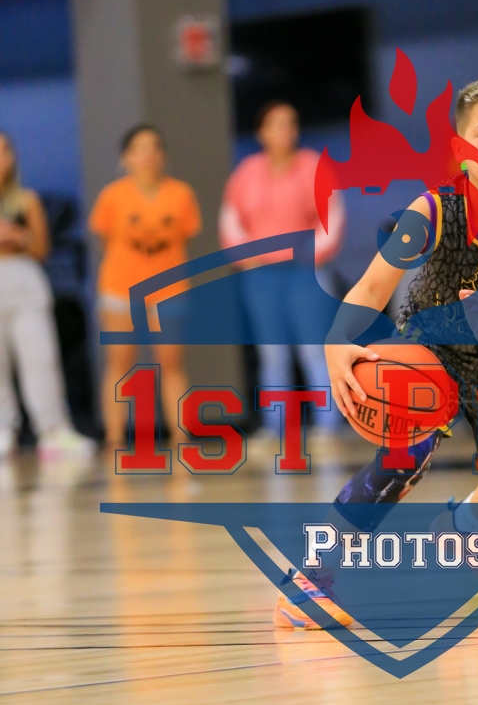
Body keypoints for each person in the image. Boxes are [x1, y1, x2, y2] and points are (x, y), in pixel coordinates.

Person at [275, 75, 478, 629]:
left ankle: (464, 528)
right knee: (402, 459)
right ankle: (312, 575)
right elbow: (371, 287)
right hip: (432, 344)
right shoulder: (431, 210)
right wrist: (337, 344)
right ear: (461, 148)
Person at [219, 101, 345, 436]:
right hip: (261, 273)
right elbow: (231, 220)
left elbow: (332, 215)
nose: (285, 131)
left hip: (306, 271)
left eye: (291, 123)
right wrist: (248, 256)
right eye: (276, 124)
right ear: (261, 132)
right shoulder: (247, 172)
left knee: (314, 349)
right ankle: (275, 428)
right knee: (272, 353)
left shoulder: (312, 166)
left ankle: (328, 426)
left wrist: (312, 252)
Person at [89, 125, 201, 447]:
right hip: (120, 288)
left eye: (154, 147)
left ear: (162, 155)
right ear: (126, 157)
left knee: (171, 364)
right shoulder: (112, 196)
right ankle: (114, 438)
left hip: (168, 289)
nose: (148, 155)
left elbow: (185, 236)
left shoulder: (181, 194)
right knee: (119, 363)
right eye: (139, 148)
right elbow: (104, 238)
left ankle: (180, 436)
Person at [0, 132, 95, 460]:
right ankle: (3, 429)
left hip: (25, 283)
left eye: (5, 150)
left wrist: (20, 237)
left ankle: (53, 429)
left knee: (40, 359)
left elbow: (42, 249)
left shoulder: (26, 200)